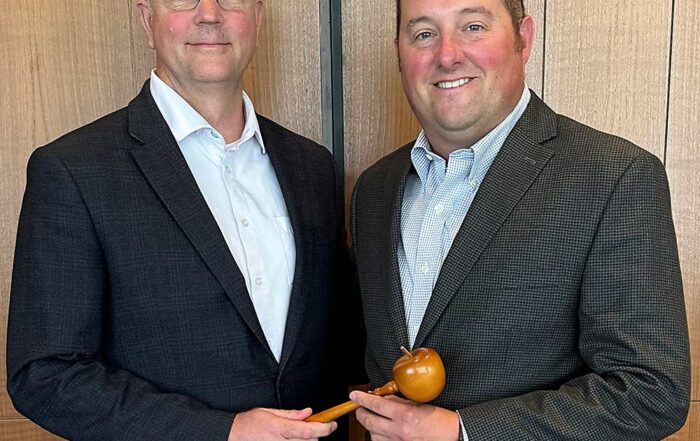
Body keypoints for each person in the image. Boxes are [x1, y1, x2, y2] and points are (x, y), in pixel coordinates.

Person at [6, 0, 361, 440]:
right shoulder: (74, 171)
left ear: (258, 16)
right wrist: (221, 432)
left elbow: (339, 345)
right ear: (146, 19)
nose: (209, 14)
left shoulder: (312, 167)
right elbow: (44, 376)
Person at [348, 0, 690, 439]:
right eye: (424, 33)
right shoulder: (375, 190)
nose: (448, 54)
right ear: (399, 51)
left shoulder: (615, 176)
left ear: (523, 39)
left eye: (473, 26)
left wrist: (464, 431)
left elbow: (650, 392)